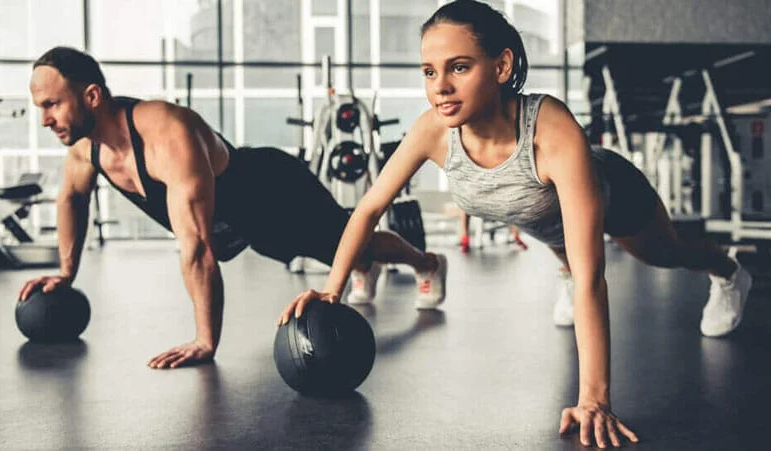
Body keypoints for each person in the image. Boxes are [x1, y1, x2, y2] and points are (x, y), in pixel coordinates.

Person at [278, 0, 753, 447]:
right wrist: (332, 290)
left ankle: (728, 270)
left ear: (502, 67)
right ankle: (562, 270)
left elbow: (594, 277)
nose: (440, 86)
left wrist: (595, 400)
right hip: (546, 223)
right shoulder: (432, 130)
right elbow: (367, 208)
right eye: (429, 71)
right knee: (554, 235)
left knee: (661, 254)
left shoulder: (551, 129)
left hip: (613, 194)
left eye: (459, 67)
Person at [18, 46, 448, 370]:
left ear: (91, 96)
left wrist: (205, 342)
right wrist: (66, 273)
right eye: (41, 107)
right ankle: (362, 265)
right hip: (236, 221)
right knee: (342, 253)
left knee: (353, 243)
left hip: (274, 192)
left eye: (52, 105)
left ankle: (425, 262)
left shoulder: (166, 133)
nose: (44, 120)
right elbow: (71, 198)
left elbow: (197, 248)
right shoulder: (83, 153)